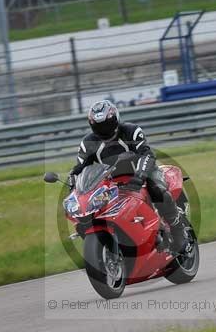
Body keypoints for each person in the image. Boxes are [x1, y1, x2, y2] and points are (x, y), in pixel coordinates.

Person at [70, 100, 188, 253]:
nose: (104, 129)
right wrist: (74, 185)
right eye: (99, 126)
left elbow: (147, 155)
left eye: (107, 124)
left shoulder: (131, 131)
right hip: (112, 182)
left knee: (157, 189)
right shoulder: (88, 143)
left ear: (115, 119)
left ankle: (177, 229)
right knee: (91, 209)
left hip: (143, 173)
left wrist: (140, 175)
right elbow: (80, 168)